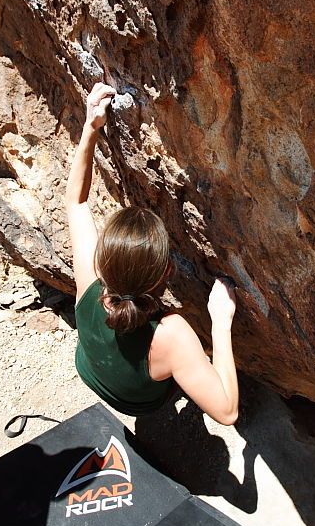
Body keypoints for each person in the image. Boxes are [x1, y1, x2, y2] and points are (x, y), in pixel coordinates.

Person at [65, 82, 239, 425]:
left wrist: (90, 126)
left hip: (91, 371)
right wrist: (221, 322)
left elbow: (76, 201)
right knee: (198, 363)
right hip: (141, 403)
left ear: (104, 262)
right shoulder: (172, 334)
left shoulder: (90, 278)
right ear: (166, 273)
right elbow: (227, 412)